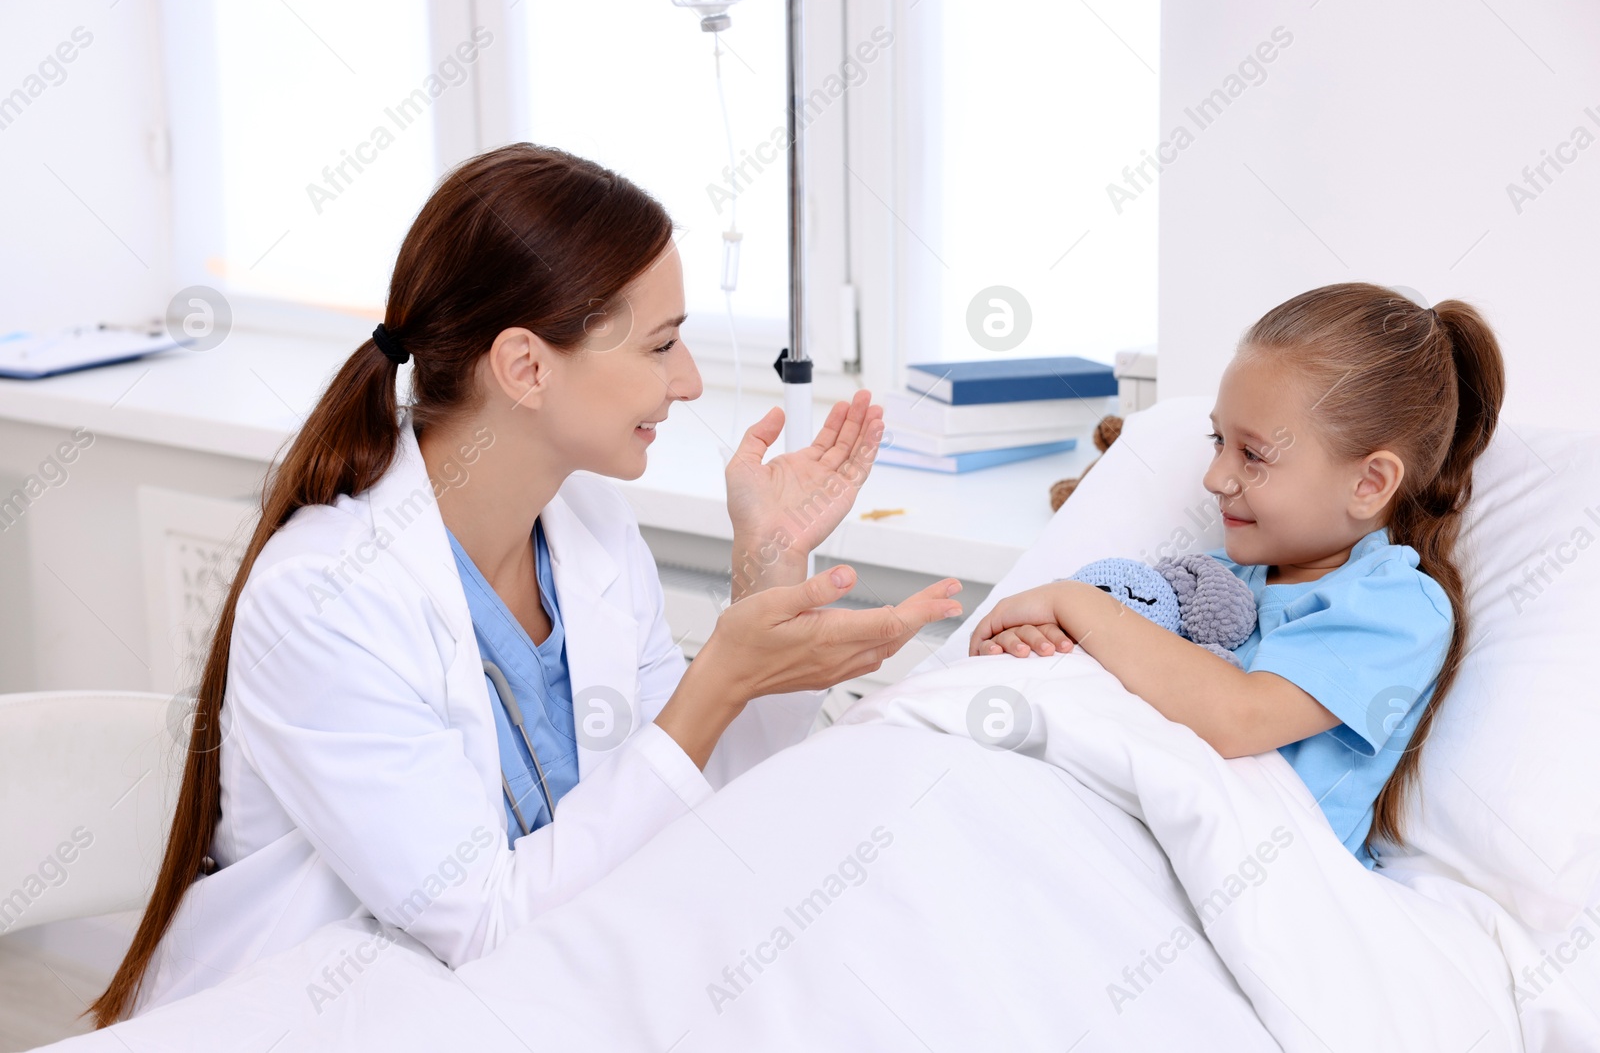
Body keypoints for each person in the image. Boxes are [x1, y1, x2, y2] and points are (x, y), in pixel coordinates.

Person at [92, 144, 962, 1024]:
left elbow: (693, 799)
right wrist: (717, 680)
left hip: (544, 992)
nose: (691, 381)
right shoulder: (324, 596)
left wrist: (768, 575)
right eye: (662, 344)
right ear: (526, 367)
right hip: (333, 1012)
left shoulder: (589, 526)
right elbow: (483, 923)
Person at [970, 282, 1504, 870]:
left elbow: (1239, 717)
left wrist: (1078, 606)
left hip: (1261, 870)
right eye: (1218, 440)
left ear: (1369, 483)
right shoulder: (1210, 580)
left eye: (1252, 454)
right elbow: (1117, 671)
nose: (1215, 476)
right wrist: (1037, 647)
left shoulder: (1396, 606)